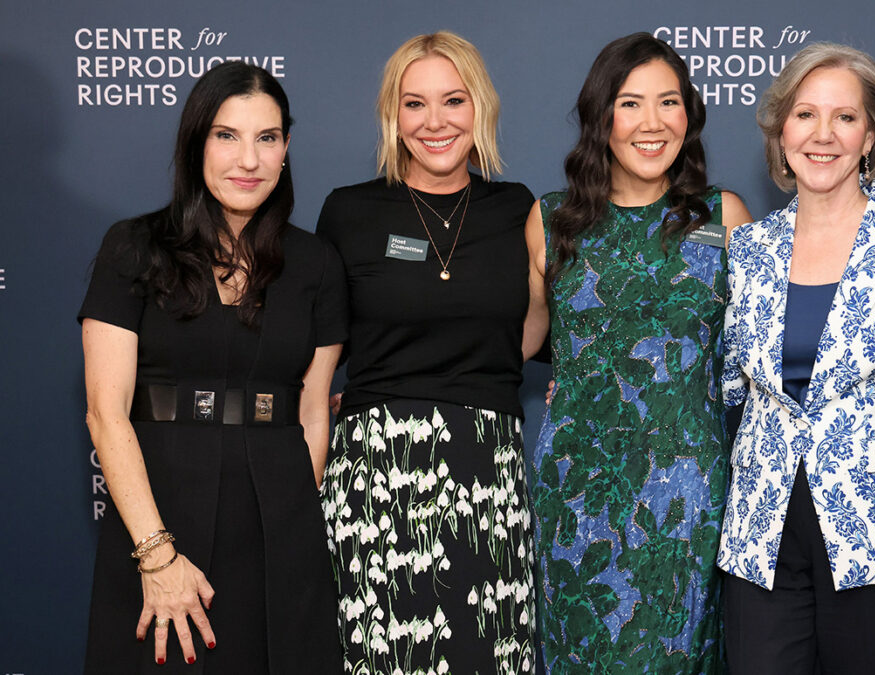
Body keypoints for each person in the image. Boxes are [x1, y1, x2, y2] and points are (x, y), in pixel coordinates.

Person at [80, 62, 345, 673]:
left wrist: (290, 528)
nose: (248, 159)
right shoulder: (134, 246)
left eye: (267, 137)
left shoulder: (316, 265)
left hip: (281, 527)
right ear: (196, 143)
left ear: (285, 150)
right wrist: (156, 555)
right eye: (226, 136)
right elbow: (104, 412)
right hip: (159, 510)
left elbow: (312, 412)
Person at [717, 43, 875, 674]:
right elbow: (722, 383)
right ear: (781, 131)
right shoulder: (748, 249)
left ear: (870, 136)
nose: (823, 135)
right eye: (805, 115)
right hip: (760, 530)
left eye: (845, 118)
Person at [523, 32, 752, 673]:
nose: (652, 123)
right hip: (577, 492)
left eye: (669, 103)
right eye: (631, 104)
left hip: (686, 492)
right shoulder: (551, 222)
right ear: (602, 118)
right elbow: (516, 340)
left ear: (690, 115)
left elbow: (770, 346)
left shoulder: (724, 216)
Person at [316, 32, 537, 675]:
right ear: (393, 114)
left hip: (488, 467)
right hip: (376, 471)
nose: (435, 122)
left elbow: (536, 326)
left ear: (481, 108)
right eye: (415, 104)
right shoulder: (350, 211)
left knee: (489, 656)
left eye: (453, 100)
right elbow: (317, 356)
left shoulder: (518, 208)